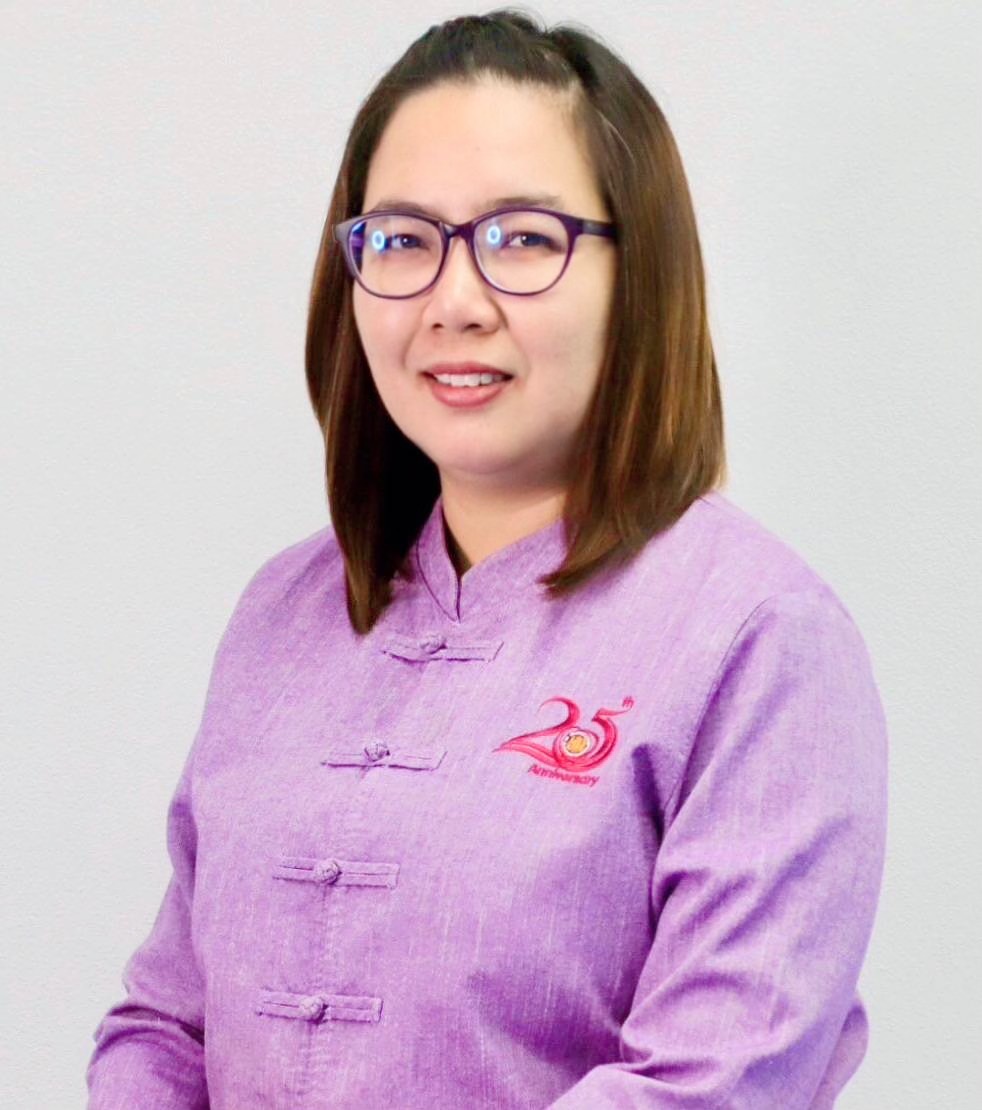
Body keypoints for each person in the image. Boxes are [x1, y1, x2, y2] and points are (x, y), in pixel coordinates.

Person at [86, 9, 888, 1108]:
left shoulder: (760, 640)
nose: (454, 303)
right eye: (402, 240)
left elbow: (713, 1083)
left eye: (521, 239)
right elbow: (165, 1025)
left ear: (638, 274)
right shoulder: (282, 612)